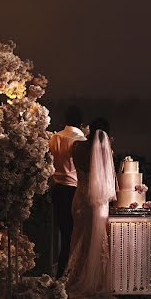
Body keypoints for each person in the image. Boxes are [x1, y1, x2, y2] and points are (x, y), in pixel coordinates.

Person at [67, 118, 117, 299]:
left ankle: (74, 277)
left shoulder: (76, 147)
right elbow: (106, 179)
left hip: (79, 198)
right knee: (96, 241)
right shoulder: (103, 151)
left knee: (79, 237)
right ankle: (96, 280)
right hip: (97, 201)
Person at [49, 105, 86, 278]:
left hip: (57, 188)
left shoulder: (55, 137)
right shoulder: (79, 139)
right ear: (81, 122)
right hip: (73, 189)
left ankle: (61, 272)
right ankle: (70, 273)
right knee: (74, 235)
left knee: (63, 232)